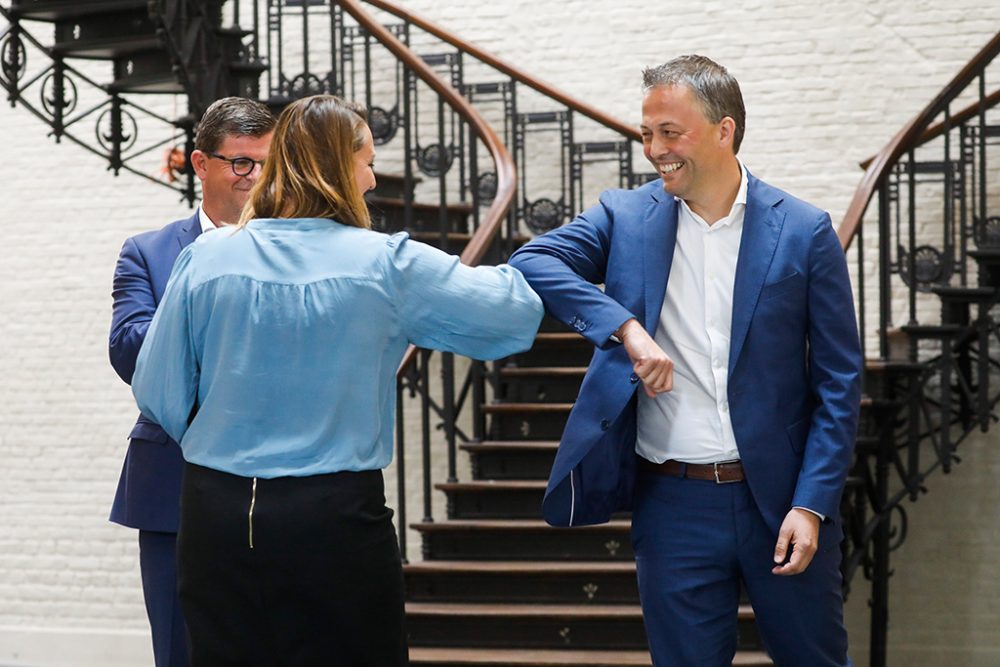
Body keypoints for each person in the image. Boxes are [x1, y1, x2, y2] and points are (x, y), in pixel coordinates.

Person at [130, 94, 544, 667]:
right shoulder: (388, 264)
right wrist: (553, 255)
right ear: (333, 168)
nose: (373, 179)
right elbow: (512, 315)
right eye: (366, 161)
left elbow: (157, 390)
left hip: (216, 513)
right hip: (332, 516)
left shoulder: (206, 257)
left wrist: (230, 435)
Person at [509, 55, 862, 667]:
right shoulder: (623, 216)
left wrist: (811, 504)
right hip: (672, 504)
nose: (654, 149)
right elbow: (532, 262)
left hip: (782, 500)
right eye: (647, 133)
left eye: (670, 133)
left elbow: (839, 384)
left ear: (724, 130)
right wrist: (626, 330)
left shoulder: (804, 231)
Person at [108, 97, 275, 667]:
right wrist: (211, 306)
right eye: (242, 164)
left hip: (277, 486)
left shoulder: (295, 250)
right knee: (181, 652)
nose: (256, 180)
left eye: (268, 165)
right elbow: (130, 349)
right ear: (201, 165)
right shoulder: (149, 253)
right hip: (172, 487)